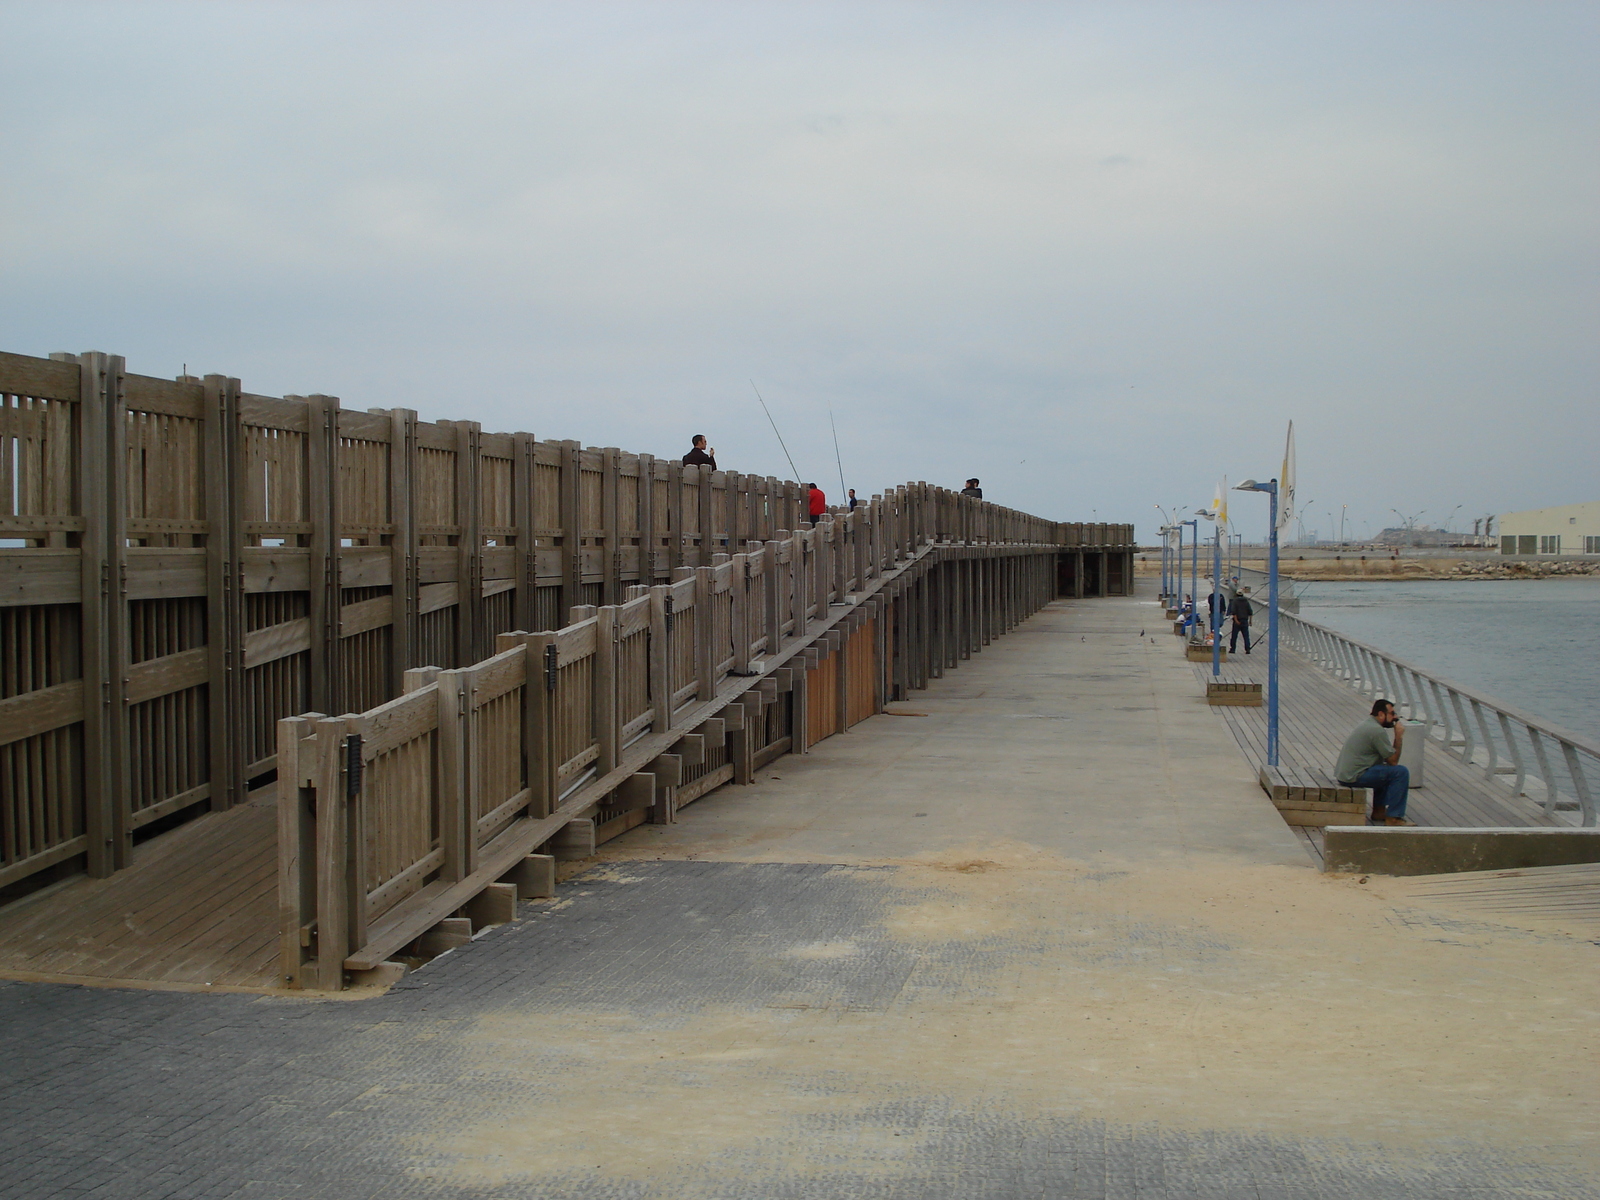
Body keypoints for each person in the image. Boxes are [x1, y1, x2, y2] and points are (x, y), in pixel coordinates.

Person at [1335, 699, 1414, 825]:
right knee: (1400, 772)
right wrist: (1398, 736)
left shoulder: (1368, 724)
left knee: (1384, 770)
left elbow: (1388, 760)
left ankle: (1379, 811)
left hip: (1346, 774)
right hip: (1354, 776)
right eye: (1392, 713)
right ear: (1381, 714)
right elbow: (1393, 761)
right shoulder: (1376, 731)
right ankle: (1394, 817)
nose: (1395, 717)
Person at [1227, 589, 1254, 654]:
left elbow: (1234, 612)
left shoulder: (1234, 601)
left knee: (1234, 636)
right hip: (1245, 620)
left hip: (1237, 621)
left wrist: (1236, 621)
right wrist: (1250, 621)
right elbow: (1250, 612)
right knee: (1246, 636)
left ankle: (1233, 649)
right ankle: (1247, 649)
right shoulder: (1246, 601)